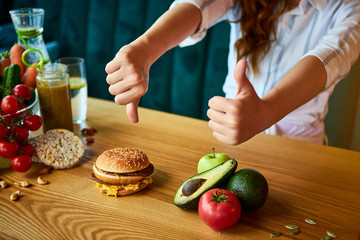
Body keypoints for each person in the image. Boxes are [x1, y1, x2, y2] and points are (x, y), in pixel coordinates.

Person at [105, 0, 360, 145]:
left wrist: (266, 112)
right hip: (227, 135)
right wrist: (143, 49)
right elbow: (197, 5)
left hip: (301, 147)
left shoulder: (349, 8)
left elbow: (329, 59)